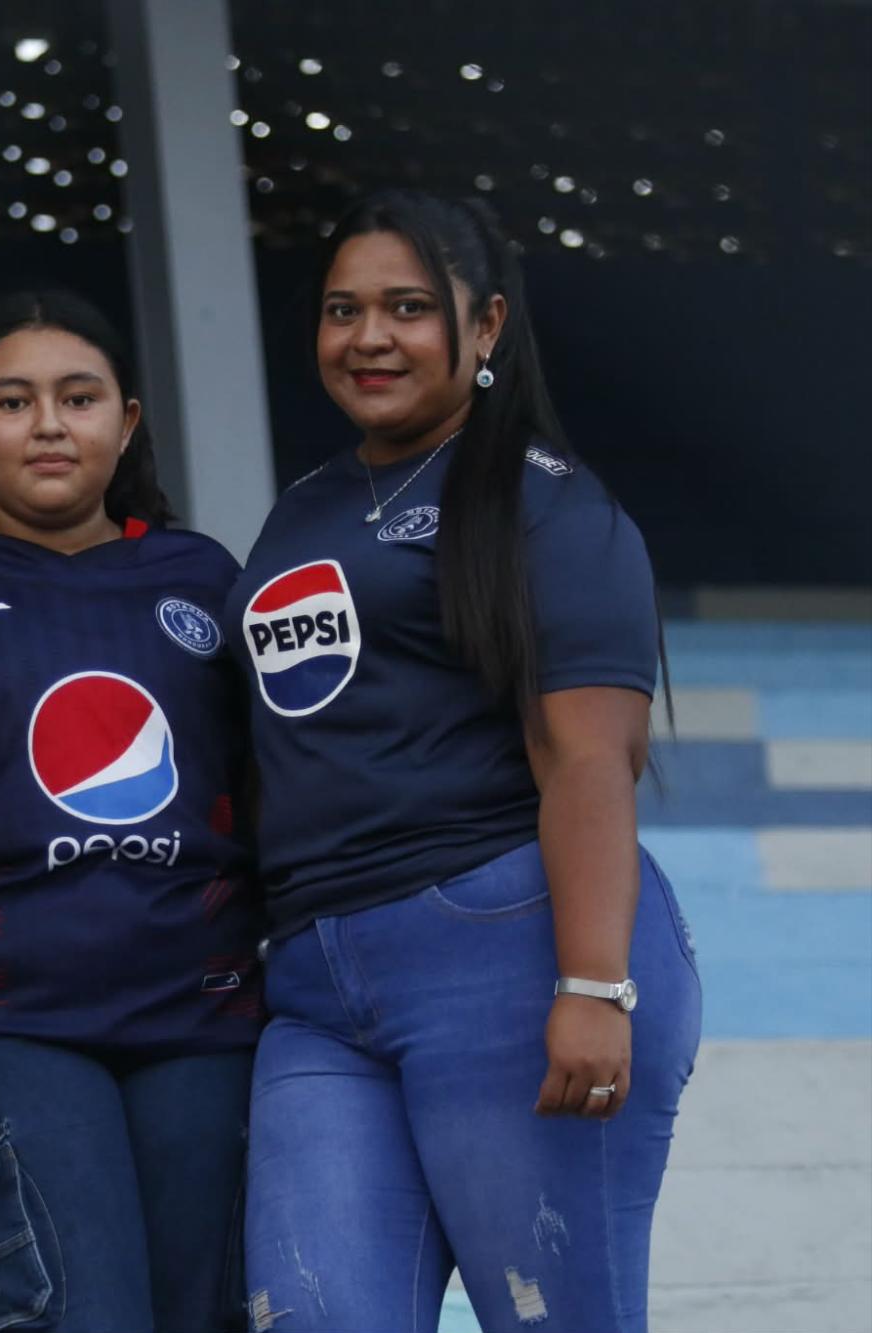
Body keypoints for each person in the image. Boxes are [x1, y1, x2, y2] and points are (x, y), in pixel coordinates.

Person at [231, 190, 702, 1333]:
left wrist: (591, 985)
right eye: (342, 310)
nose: (367, 337)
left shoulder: (549, 507)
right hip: (314, 988)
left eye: (405, 308)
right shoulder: (304, 508)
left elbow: (590, 757)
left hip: (503, 957)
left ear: (483, 328)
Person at [0, 290, 263, 1332]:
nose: (47, 425)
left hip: (200, 1016)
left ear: (126, 420)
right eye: (11, 400)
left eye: (77, 398)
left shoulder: (203, 578)